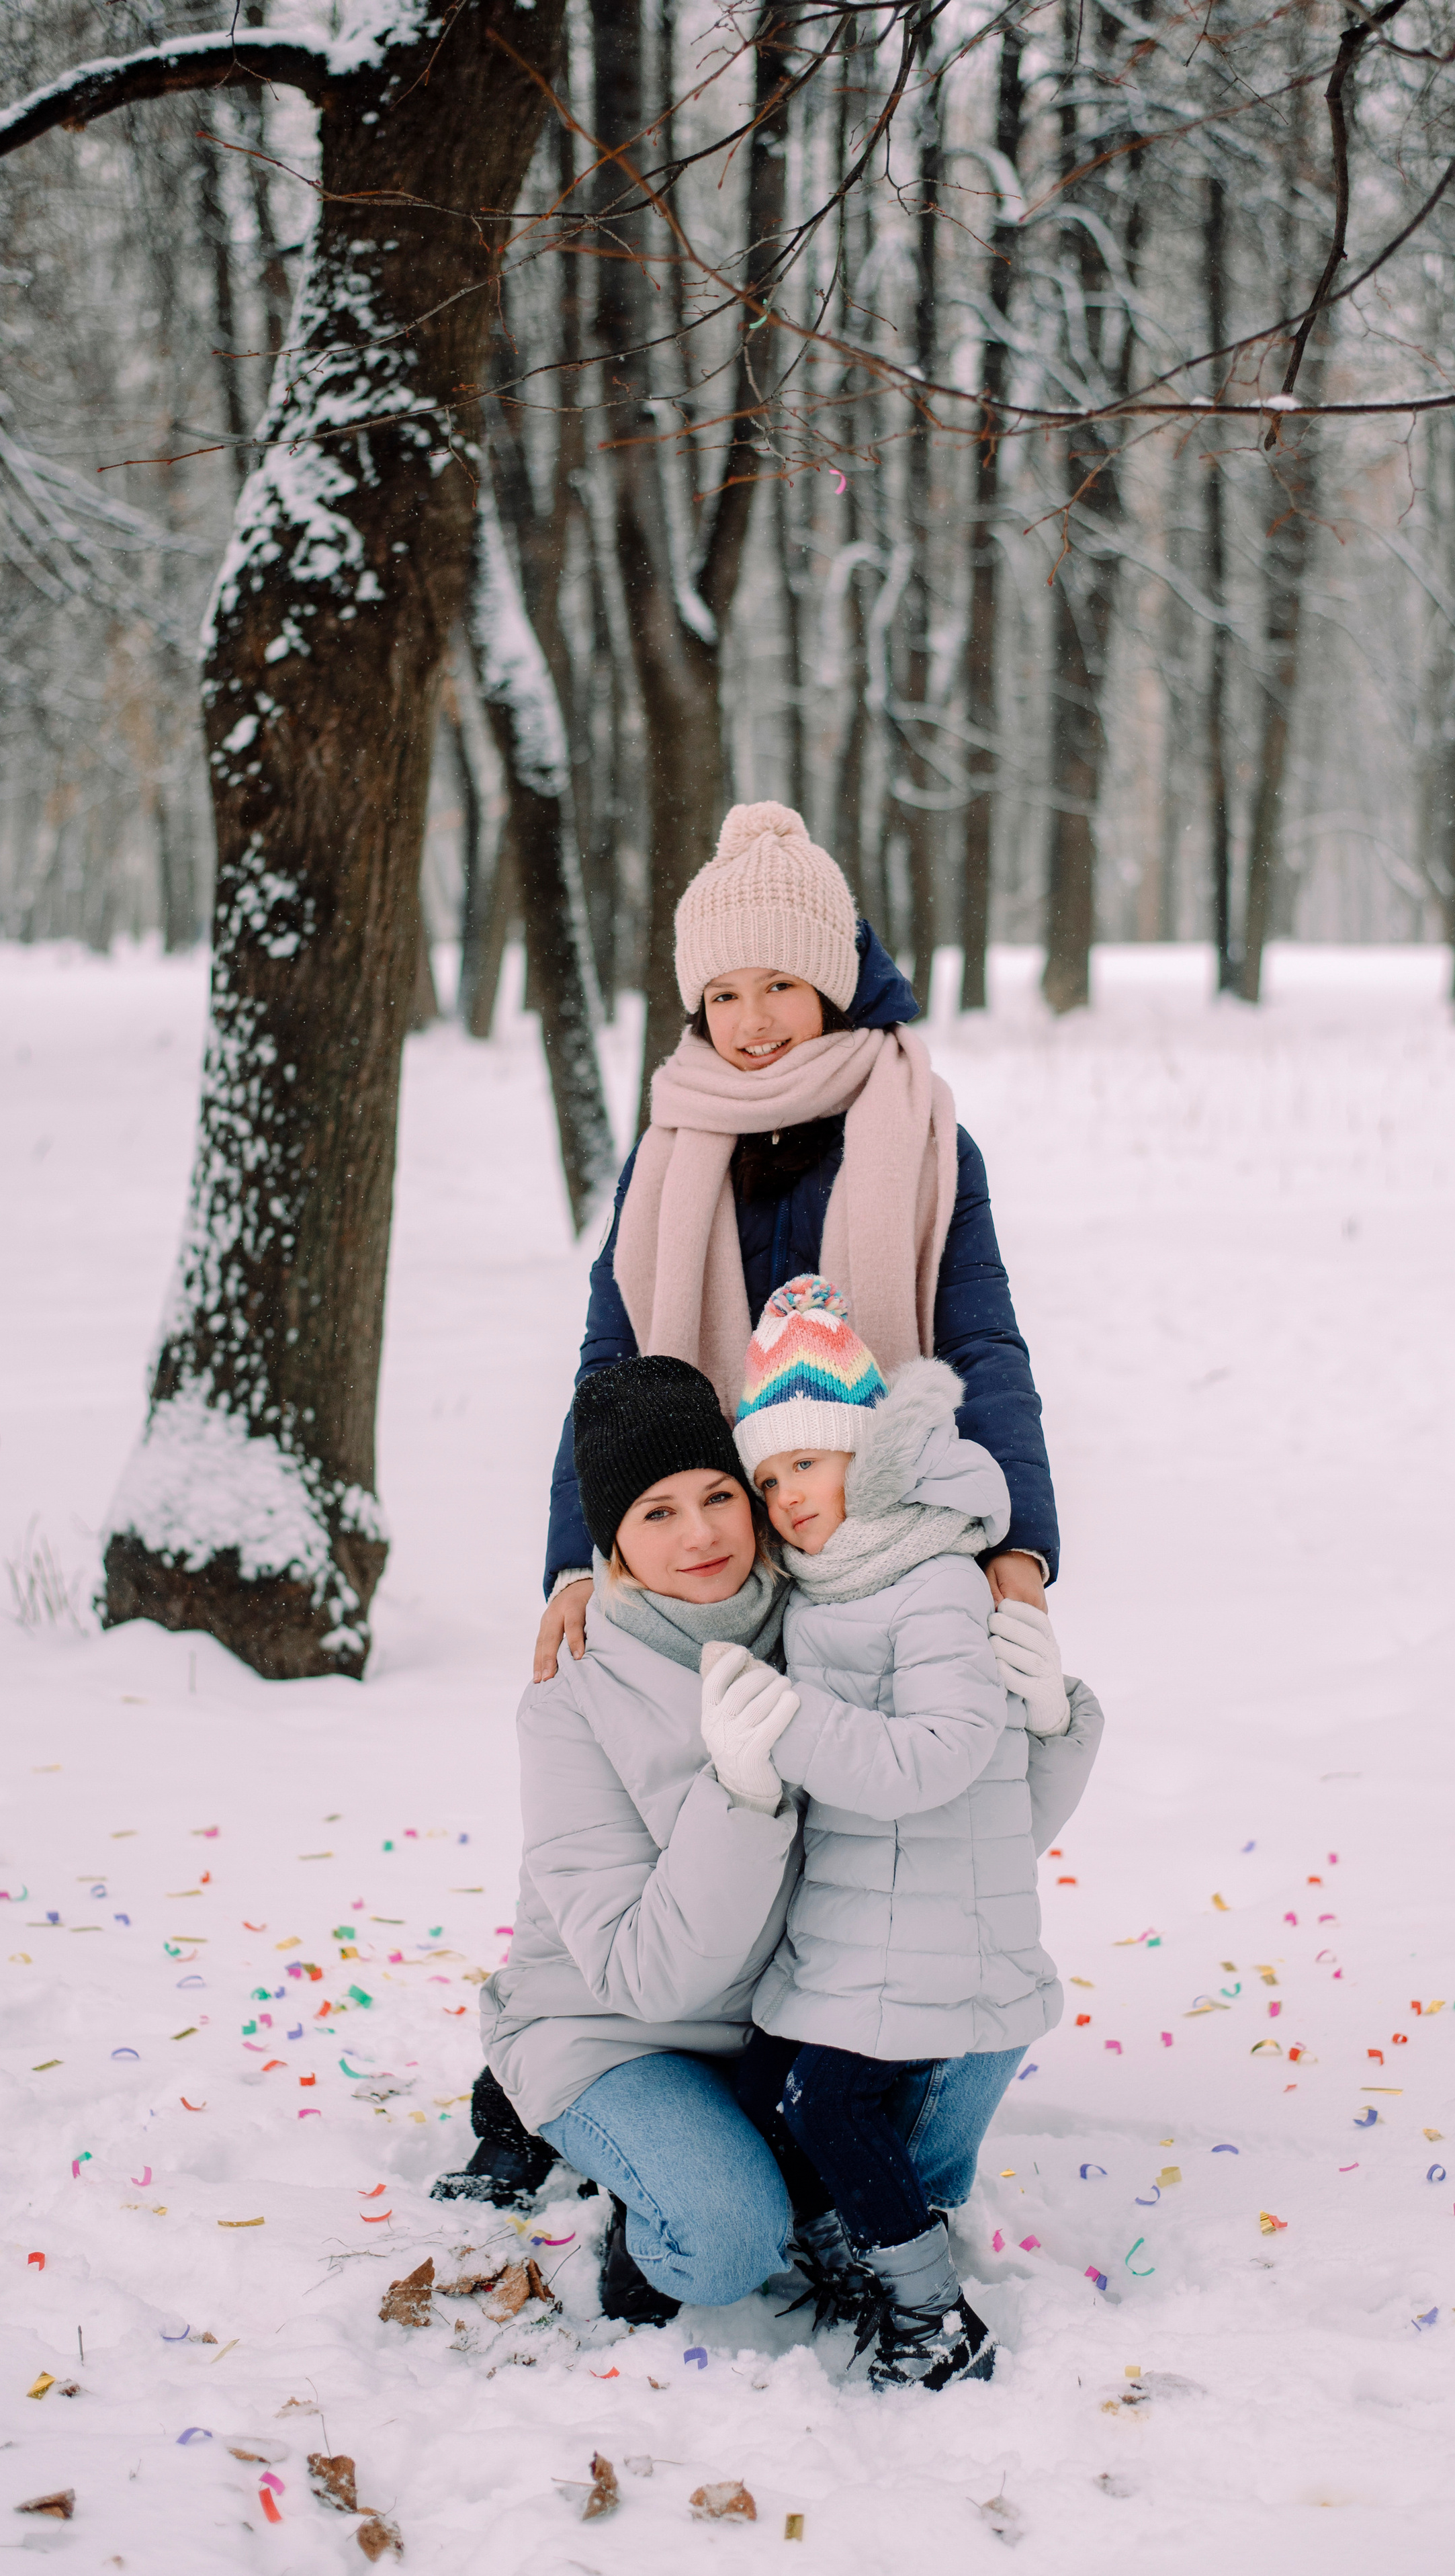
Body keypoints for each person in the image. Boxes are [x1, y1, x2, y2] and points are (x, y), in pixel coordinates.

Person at [462, 1350, 1056, 2327]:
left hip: (779, 2021)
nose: (698, 1534)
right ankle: (627, 2170)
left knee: (973, 2001)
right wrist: (739, 1799)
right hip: (618, 2033)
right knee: (730, 2237)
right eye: (656, 1513)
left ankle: (786, 2162)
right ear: (611, 1539)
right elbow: (644, 1977)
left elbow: (957, 1841)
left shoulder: (820, 1619)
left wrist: (1044, 1727)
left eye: (719, 1496)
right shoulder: (571, 1695)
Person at [534, 800, 1059, 1686]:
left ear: (830, 982)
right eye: (724, 994)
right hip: (715, 1557)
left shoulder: (921, 1135)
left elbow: (981, 1343)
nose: (753, 1020)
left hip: (886, 1550)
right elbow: (612, 1370)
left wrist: (1020, 1545)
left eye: (779, 983)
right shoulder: (666, 1154)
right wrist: (577, 1561)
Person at [725, 1277, 1105, 2391]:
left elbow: (936, 1753)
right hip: (859, 1919)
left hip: (935, 1919)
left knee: (826, 2101)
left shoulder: (933, 1573)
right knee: (762, 2090)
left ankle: (935, 2314)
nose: (789, 1495)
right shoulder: (832, 1579)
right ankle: (851, 2242)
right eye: (770, 1474)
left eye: (810, 1460)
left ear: (869, 1451)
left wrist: (784, 1717)